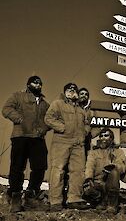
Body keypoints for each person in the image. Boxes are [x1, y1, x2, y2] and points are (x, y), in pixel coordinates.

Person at [2, 75, 50, 212]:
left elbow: (50, 119)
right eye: (35, 82)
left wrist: (44, 129)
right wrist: (18, 119)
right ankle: (15, 196)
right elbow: (6, 109)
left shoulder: (44, 104)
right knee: (17, 166)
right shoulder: (18, 96)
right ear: (28, 84)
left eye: (40, 83)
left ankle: (31, 194)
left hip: (38, 138)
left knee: (40, 166)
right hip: (20, 136)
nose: (38, 85)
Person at [44, 83, 90, 211]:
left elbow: (87, 123)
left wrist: (84, 133)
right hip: (61, 141)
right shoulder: (58, 103)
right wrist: (62, 128)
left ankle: (74, 199)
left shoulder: (81, 109)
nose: (72, 91)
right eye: (69, 89)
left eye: (74, 89)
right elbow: (48, 118)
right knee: (57, 170)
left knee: (78, 171)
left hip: (78, 144)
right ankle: (55, 201)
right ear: (65, 92)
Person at [83, 128, 125, 214]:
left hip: (110, 183)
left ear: (111, 138)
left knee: (114, 172)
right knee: (87, 188)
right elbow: (89, 166)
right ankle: (102, 201)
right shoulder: (93, 152)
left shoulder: (118, 152)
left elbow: (122, 166)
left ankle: (112, 206)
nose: (103, 138)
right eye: (101, 136)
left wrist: (113, 166)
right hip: (98, 183)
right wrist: (88, 178)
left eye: (106, 136)